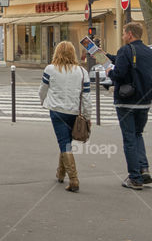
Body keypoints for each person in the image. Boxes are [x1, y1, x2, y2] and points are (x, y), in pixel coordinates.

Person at [102, 21, 152, 190]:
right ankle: (144, 170)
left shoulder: (125, 50)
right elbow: (129, 63)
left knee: (129, 138)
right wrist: (106, 55)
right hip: (144, 102)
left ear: (130, 34)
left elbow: (120, 73)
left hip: (126, 101)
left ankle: (135, 178)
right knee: (138, 134)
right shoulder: (148, 51)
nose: (123, 36)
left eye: (123, 33)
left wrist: (110, 72)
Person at [39, 40, 91, 192]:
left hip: (57, 111)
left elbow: (43, 89)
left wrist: (43, 101)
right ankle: (60, 173)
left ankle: (73, 179)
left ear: (57, 52)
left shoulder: (50, 69)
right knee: (65, 141)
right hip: (75, 112)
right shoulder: (82, 72)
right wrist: (88, 117)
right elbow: (86, 97)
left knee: (64, 143)